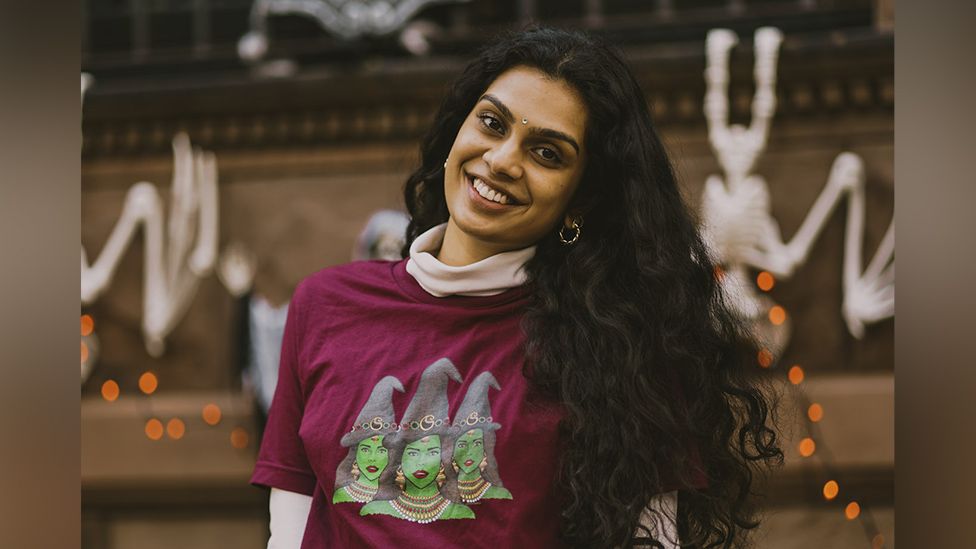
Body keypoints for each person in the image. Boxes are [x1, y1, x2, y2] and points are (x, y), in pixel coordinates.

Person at [251, 26, 782, 549]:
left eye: (547, 153)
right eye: (491, 122)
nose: (503, 160)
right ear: (459, 129)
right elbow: (291, 526)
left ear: (582, 198)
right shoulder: (325, 304)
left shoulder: (619, 348)